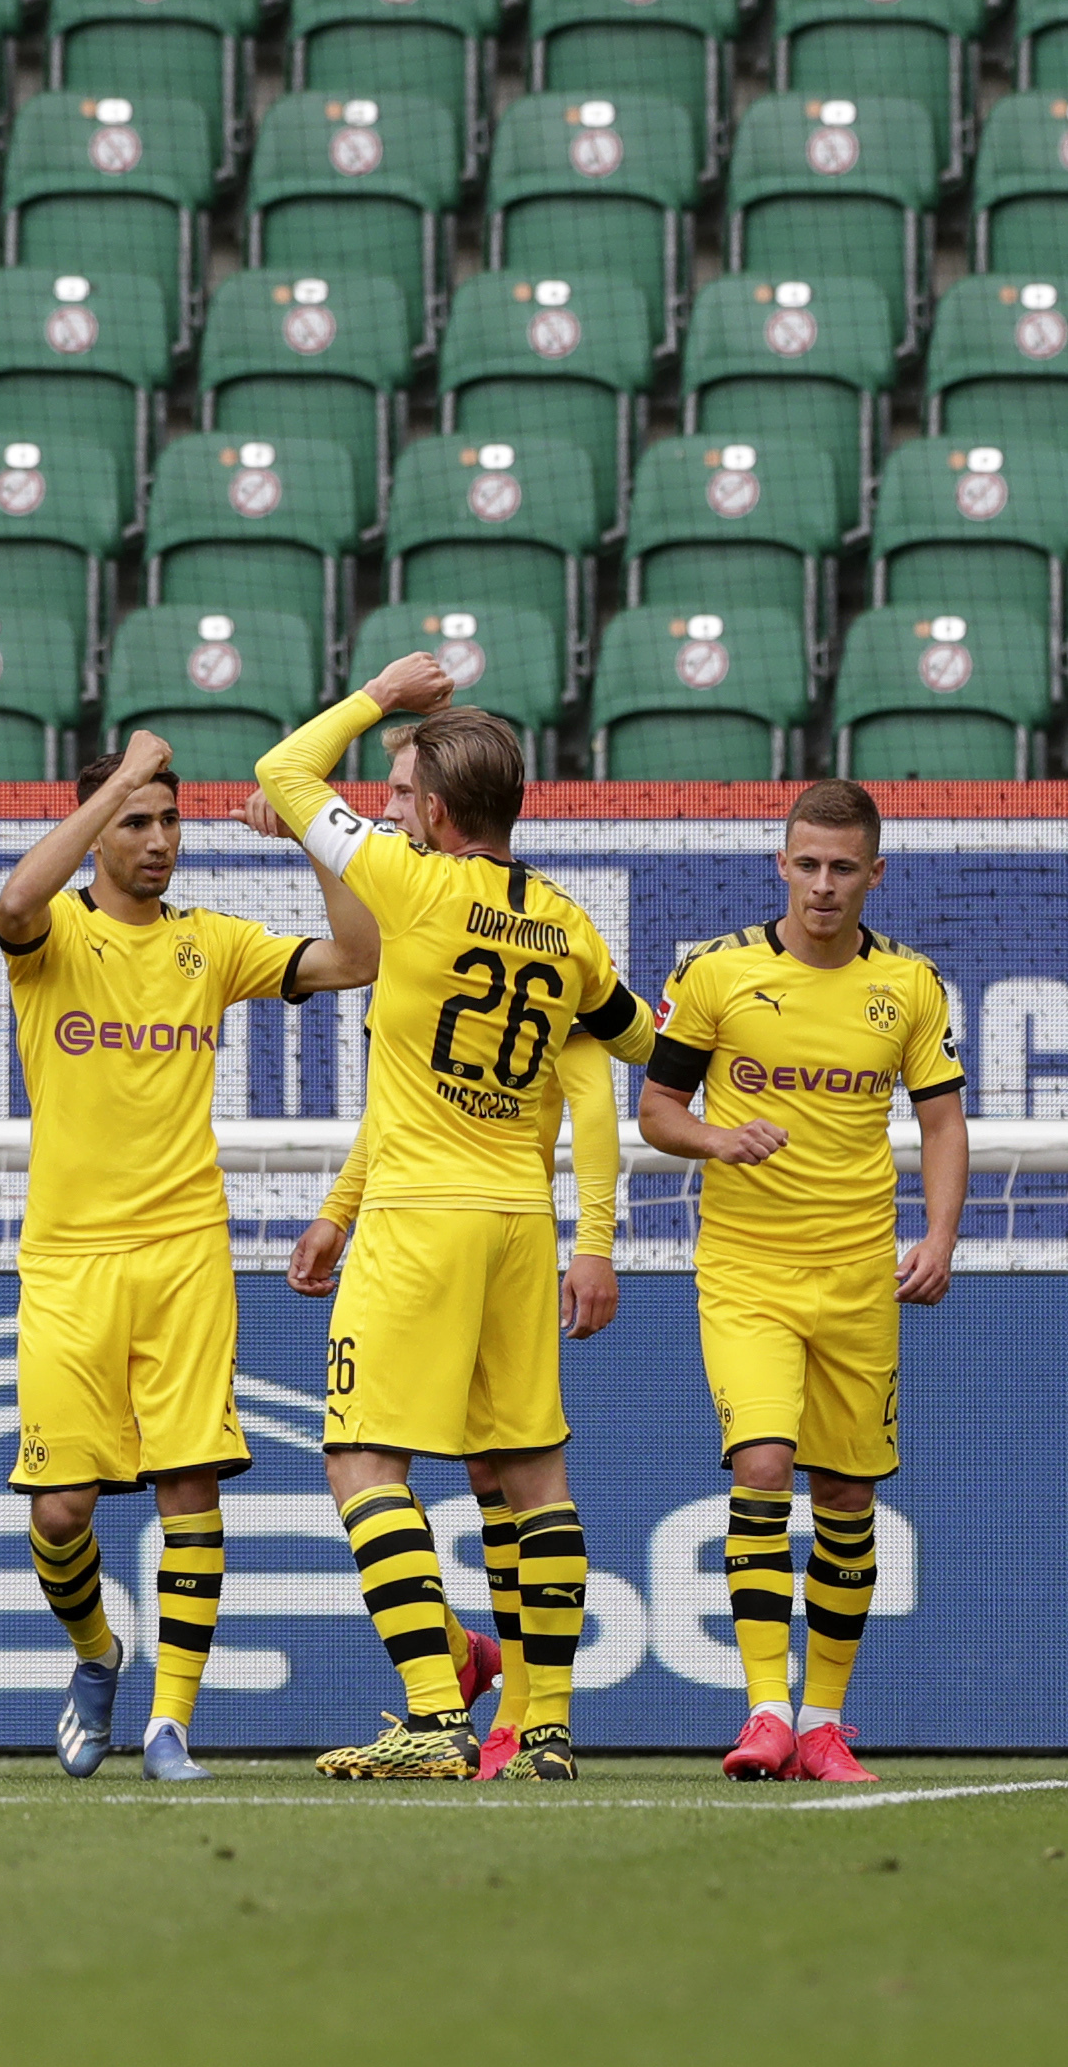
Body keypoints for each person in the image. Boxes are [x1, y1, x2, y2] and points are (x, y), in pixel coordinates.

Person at [255, 657, 659, 1783]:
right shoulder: (567, 930)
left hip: (421, 1220)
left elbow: (282, 770)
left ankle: (432, 1714)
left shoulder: (410, 884)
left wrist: (380, 694)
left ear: (432, 812)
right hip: (520, 1228)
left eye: (405, 797)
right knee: (534, 1477)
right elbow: (636, 1042)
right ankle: (544, 1730)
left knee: (360, 1460)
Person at [0, 733, 378, 1784]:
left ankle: (169, 1725)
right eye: (136, 822)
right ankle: (96, 1655)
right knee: (59, 1511)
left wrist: (307, 837)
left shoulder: (209, 941)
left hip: (186, 1252)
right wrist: (114, 779)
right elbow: (14, 902)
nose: (159, 842)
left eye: (169, 823)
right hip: (68, 1260)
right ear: (100, 826)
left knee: (189, 1487)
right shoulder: (53, 933)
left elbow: (356, 958)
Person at [635, 779, 965, 1786]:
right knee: (764, 1466)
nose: (822, 887)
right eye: (805, 865)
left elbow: (942, 1123)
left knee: (847, 1490)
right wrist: (716, 1138)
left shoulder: (908, 988)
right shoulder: (716, 975)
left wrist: (940, 1239)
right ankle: (766, 1710)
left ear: (875, 873)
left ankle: (823, 1723)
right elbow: (655, 1108)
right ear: (779, 864)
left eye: (841, 869)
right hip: (746, 1273)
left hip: (860, 1275)